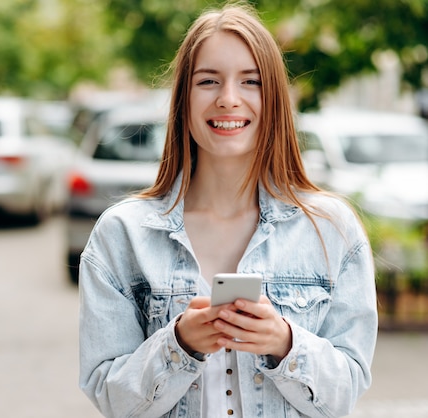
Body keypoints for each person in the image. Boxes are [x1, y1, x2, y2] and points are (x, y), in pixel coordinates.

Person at [78, 3, 378, 418]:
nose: (228, 99)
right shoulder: (121, 234)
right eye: (208, 81)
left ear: (273, 96)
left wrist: (285, 343)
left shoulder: (332, 230)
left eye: (250, 81)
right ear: (183, 97)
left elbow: (345, 392)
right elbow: (111, 400)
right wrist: (179, 345)